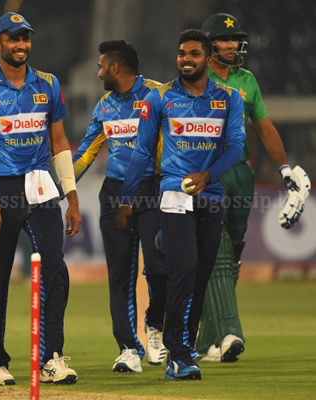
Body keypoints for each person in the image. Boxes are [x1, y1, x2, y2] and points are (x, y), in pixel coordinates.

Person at [116, 29, 246, 380]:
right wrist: (127, 200)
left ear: (208, 59)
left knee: (200, 276)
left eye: (194, 54)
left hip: (211, 196)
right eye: (182, 53)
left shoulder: (229, 98)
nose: (186, 59)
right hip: (173, 193)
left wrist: (207, 175)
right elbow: (142, 152)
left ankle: (184, 348)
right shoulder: (159, 97)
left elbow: (235, 147)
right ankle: (178, 354)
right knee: (185, 267)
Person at [0, 12, 82, 386]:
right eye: (13, 39)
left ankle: (51, 358)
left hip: (42, 186)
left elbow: (59, 142)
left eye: (25, 38)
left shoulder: (48, 84)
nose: (20, 45)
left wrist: (72, 195)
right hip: (0, 189)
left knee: (55, 270)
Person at [196, 13, 310, 362]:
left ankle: (206, 341)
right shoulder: (195, 78)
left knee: (232, 253)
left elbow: (264, 126)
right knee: (218, 250)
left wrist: (284, 167)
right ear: (208, 44)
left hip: (240, 174)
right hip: (206, 173)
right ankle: (230, 332)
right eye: (224, 39)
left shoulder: (246, 81)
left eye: (235, 39)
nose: (231, 45)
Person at [72, 40, 167, 373]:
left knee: (159, 267)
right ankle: (129, 348)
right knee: (120, 274)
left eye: (101, 67)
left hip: (153, 189)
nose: (98, 73)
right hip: (114, 192)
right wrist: (61, 185)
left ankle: (155, 328)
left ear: (115, 67)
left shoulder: (158, 95)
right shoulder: (105, 105)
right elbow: (87, 151)